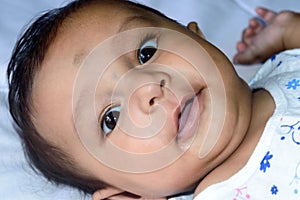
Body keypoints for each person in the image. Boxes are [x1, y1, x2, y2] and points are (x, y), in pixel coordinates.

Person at [6, 0, 300, 199]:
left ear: (197, 38)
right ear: (128, 194)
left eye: (146, 52)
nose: (147, 88)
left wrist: (288, 33)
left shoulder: (287, 64)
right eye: (111, 117)